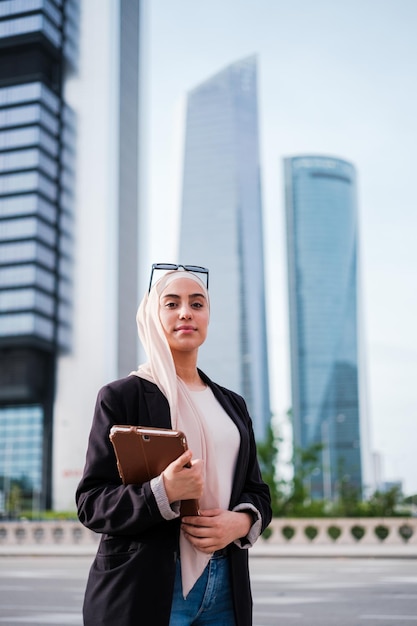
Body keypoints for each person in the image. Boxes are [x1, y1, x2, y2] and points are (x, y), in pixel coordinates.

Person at [76, 263, 272, 626]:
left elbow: (257, 491)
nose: (186, 312)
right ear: (152, 315)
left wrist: (241, 522)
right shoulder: (122, 397)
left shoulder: (232, 405)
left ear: (208, 316)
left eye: (197, 304)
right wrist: (161, 492)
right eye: (172, 303)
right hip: (147, 584)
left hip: (225, 584)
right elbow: (91, 502)